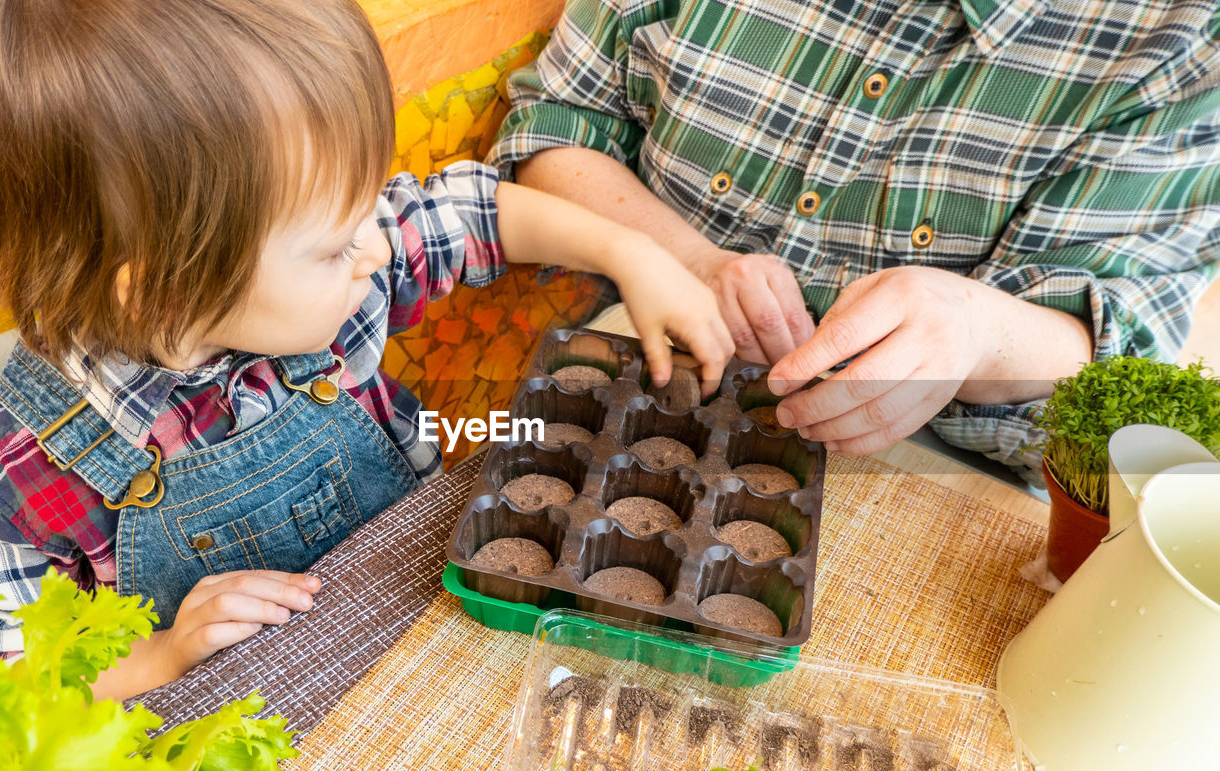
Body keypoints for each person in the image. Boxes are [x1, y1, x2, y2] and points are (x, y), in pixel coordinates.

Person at [0, 0, 733, 700]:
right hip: (281, 745)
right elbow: (10, 692)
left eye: (369, 205)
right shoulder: (7, 485)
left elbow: (480, 211)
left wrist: (635, 255)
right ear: (164, 293)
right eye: (332, 243)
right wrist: (164, 654)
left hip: (443, 633)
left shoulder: (331, 272)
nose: (375, 247)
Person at [490, 0, 1220, 475]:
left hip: (924, 464)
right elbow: (555, 121)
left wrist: (974, 328)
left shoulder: (1182, 38)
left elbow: (1117, 355)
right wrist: (689, 260)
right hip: (613, 362)